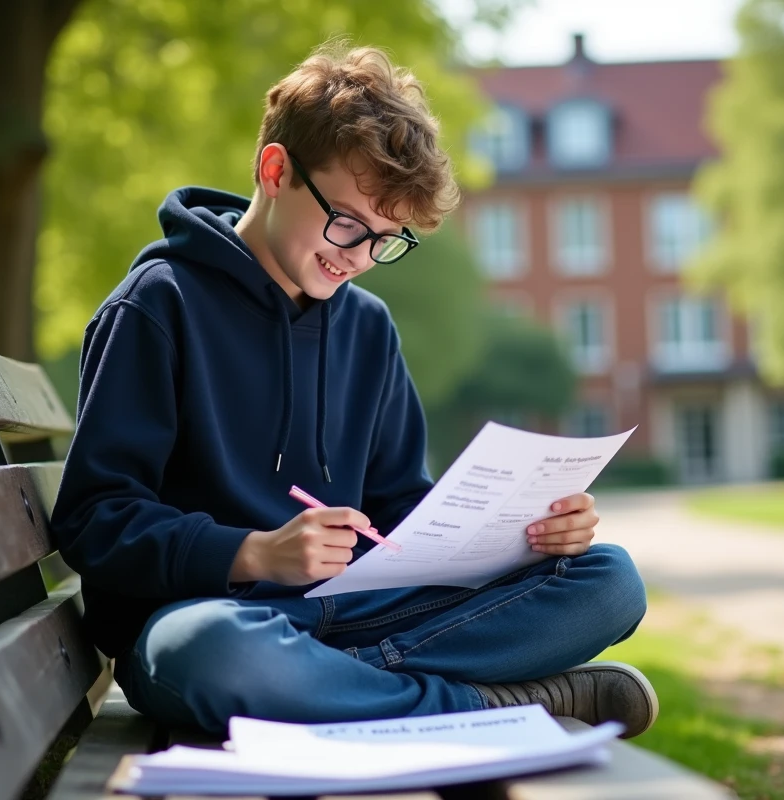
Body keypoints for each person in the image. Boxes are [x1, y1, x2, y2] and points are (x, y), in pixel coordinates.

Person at [50, 43, 657, 738]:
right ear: (276, 171)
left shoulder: (368, 327)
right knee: (211, 654)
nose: (359, 258)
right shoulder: (157, 307)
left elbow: (398, 502)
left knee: (607, 580)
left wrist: (522, 536)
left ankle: (349, 689)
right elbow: (95, 519)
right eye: (346, 223)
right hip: (216, 618)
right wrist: (251, 552)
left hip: (354, 613)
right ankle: (488, 706)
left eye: (385, 241)